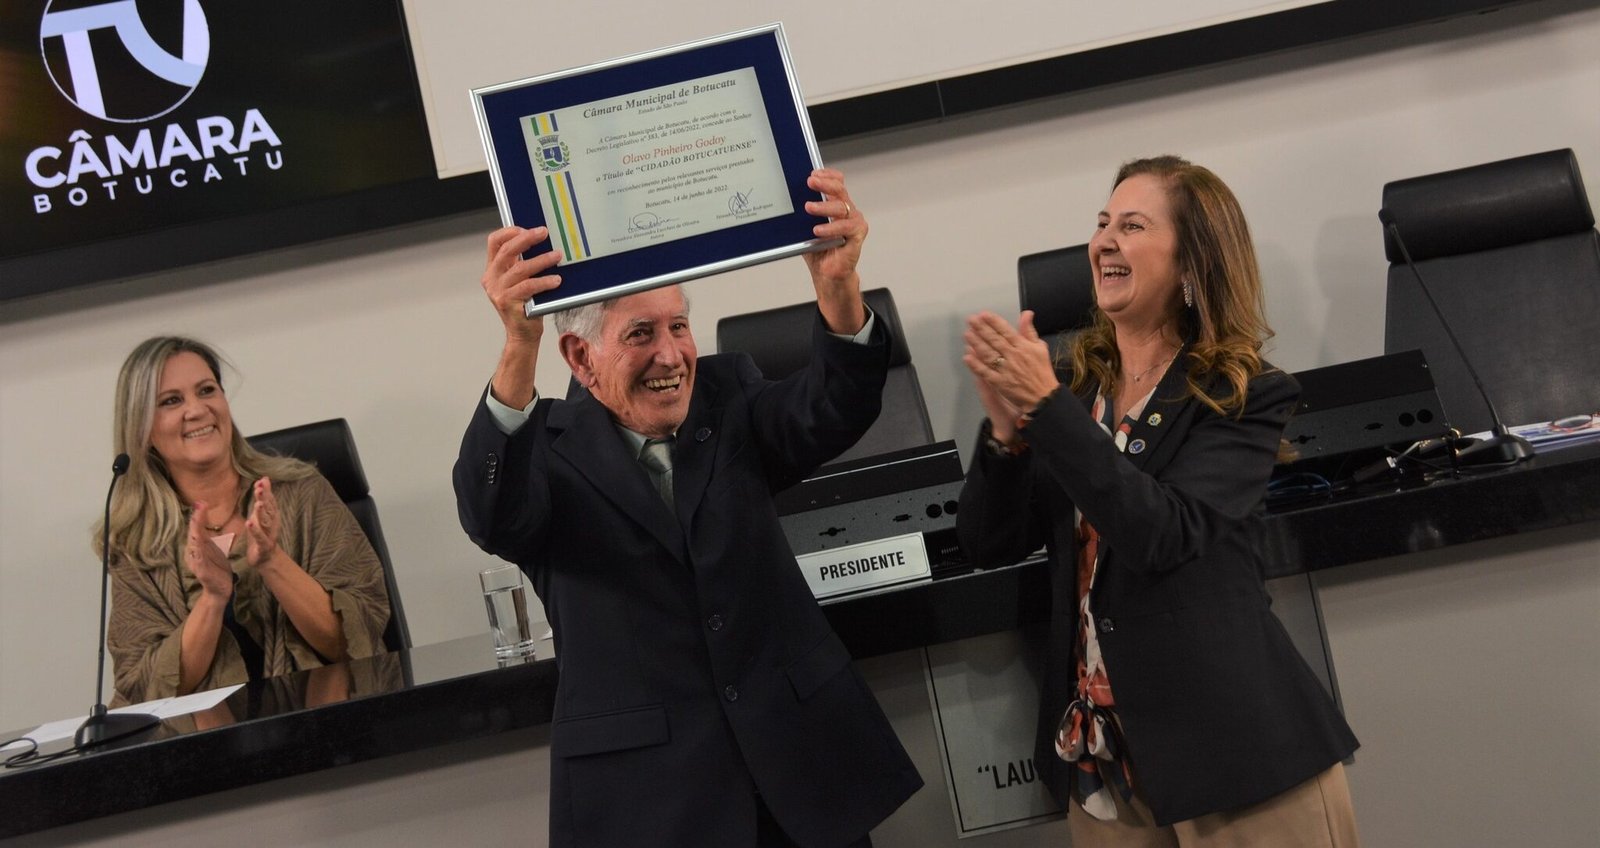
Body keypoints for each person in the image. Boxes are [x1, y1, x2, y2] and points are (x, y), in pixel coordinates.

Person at [454, 168, 920, 848]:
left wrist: (837, 286)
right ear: (581, 357)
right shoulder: (544, 453)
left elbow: (834, 406)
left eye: (679, 325)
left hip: (796, 780)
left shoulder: (729, 398)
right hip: (654, 803)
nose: (671, 354)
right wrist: (518, 342)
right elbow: (491, 515)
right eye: (640, 334)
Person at [957, 156, 1359, 845]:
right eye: (1102, 223)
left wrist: (1047, 411)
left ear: (1192, 264)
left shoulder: (1243, 394)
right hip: (1105, 770)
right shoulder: (1075, 390)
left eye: (1132, 225)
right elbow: (987, 543)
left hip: (1235, 762)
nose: (1103, 240)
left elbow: (1160, 534)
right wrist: (1003, 433)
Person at [99, 337, 390, 706]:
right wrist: (213, 598)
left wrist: (271, 560)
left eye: (207, 391)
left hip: (327, 730)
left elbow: (357, 637)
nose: (197, 410)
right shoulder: (137, 542)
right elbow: (145, 688)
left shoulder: (302, 493)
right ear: (141, 429)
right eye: (171, 401)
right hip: (207, 752)